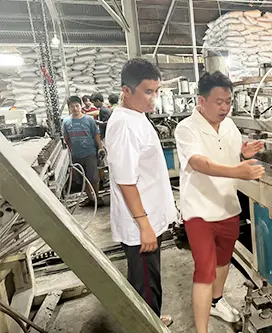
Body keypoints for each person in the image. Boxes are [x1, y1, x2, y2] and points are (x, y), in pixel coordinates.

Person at [174, 71, 265, 333]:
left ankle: (216, 301)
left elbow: (227, 153)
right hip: (199, 211)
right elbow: (198, 162)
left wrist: (242, 153)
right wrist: (237, 171)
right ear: (201, 101)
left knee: (223, 260)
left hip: (227, 206)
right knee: (204, 270)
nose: (224, 107)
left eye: (228, 101)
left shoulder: (229, 125)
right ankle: (202, 330)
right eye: (219, 102)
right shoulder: (187, 128)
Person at [105, 59, 176, 327]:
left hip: (146, 219)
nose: (154, 99)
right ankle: (148, 325)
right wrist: (144, 226)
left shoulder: (136, 116)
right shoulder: (124, 125)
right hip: (139, 225)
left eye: (157, 91)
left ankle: (152, 319)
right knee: (145, 283)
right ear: (126, 90)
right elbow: (126, 182)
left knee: (148, 279)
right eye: (148, 91)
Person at [62, 96, 105, 207]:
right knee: (82, 179)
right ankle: (90, 198)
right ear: (69, 108)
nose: (75, 109)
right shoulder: (66, 122)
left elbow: (96, 134)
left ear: (81, 106)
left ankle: (97, 197)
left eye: (77, 106)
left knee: (93, 178)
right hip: (76, 155)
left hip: (90, 153)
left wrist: (100, 147)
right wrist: (70, 153)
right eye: (72, 107)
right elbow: (66, 138)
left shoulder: (89, 120)